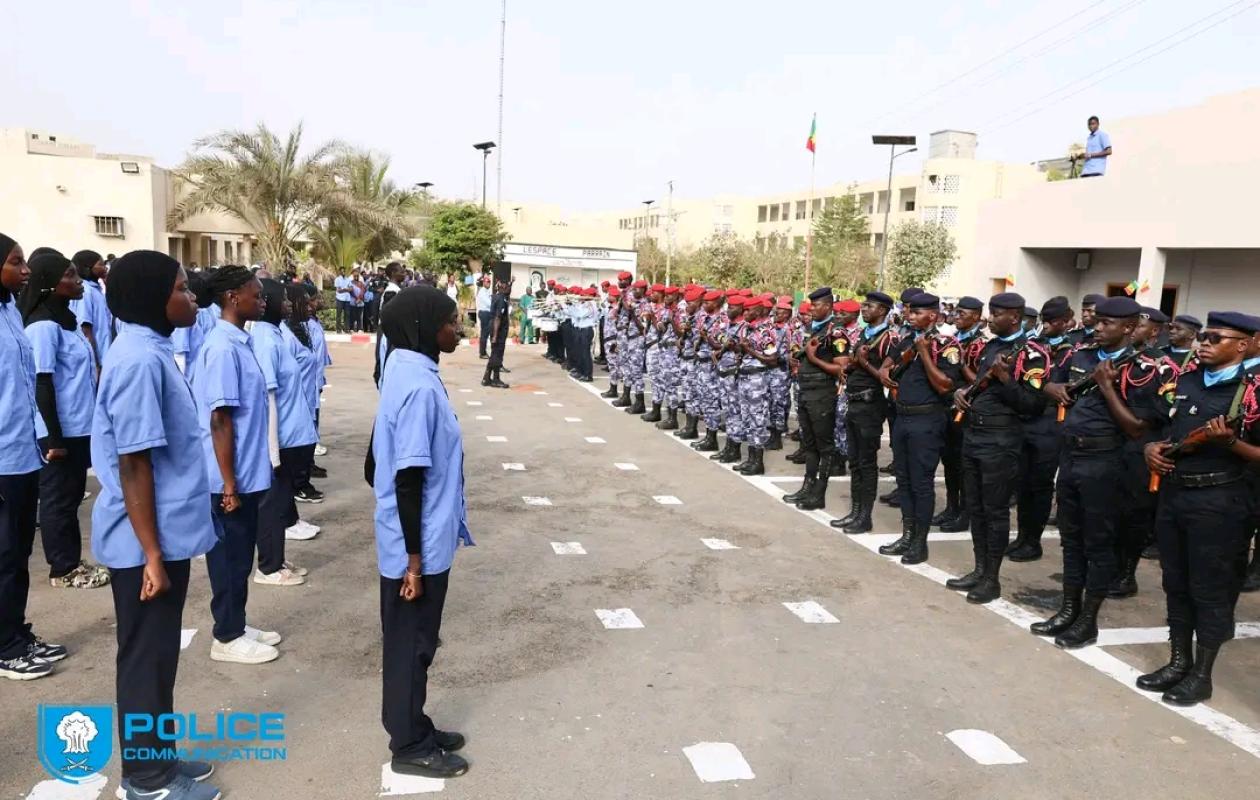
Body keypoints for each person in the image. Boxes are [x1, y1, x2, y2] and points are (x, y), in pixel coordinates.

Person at [91, 250, 222, 799]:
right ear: (152, 297)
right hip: (146, 542)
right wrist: (150, 554)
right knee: (146, 660)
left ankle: (159, 759)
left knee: (160, 655)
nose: (191, 298)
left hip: (160, 534)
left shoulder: (150, 349)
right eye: (181, 288)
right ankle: (146, 782)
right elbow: (134, 463)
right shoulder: (139, 361)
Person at [1032, 296, 1175, 648]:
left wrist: (1108, 386)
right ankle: (1068, 609)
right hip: (1072, 458)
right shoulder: (1081, 353)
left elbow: (1138, 428)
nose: (1096, 328)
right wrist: (1053, 388)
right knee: (1071, 539)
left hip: (1107, 464)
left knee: (1098, 544)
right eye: (1096, 322)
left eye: (1105, 324)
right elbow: (1050, 381)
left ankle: (1088, 620)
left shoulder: (1149, 369)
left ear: (1128, 328)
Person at [372, 286, 473, 779]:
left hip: (419, 534)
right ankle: (408, 743)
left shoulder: (404, 368)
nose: (458, 329)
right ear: (422, 327)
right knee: (412, 643)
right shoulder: (416, 387)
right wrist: (413, 560)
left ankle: (412, 720)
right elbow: (405, 477)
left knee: (416, 641)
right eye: (451, 321)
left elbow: (376, 463)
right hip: (417, 544)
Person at [1142, 312, 1260, 705]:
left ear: (1242, 345)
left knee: (1210, 589)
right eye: (1203, 337)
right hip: (1176, 495)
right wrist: (1151, 449)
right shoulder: (1188, 378)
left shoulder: (1253, 389)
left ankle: (1201, 674)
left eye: (1214, 337)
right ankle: (1178, 661)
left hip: (1221, 501)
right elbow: (1166, 428)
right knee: (1175, 582)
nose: (1203, 343)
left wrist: (1230, 444)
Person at [190, 266, 282, 665]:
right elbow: (220, 419)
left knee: (240, 555)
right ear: (231, 297)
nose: (261, 300)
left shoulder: (238, 341)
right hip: (229, 478)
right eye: (255, 294)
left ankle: (238, 623)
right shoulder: (223, 348)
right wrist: (229, 484)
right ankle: (226, 636)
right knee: (229, 559)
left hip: (243, 471)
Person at [945, 293, 1047, 600]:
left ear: (1014, 317)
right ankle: (979, 569)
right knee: (975, 507)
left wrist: (1007, 381)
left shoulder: (1032, 354)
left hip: (1001, 441)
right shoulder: (990, 347)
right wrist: (962, 393)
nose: (990, 319)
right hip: (974, 435)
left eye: (997, 314)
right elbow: (979, 387)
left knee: (995, 510)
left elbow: (1033, 405)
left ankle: (992, 578)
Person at [21, 252, 110, 589]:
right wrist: (53, 438)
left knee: (72, 496)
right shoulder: (43, 327)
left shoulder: (66, 322)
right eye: (70, 276)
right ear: (50, 285)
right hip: (59, 430)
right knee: (58, 499)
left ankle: (72, 560)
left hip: (78, 424)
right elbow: (42, 383)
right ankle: (62, 567)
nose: (77, 281)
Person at [1, 235, 68, 680]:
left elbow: (23, 386)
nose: (25, 271)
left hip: (23, 452)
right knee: (4, 554)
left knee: (20, 551)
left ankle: (17, 632)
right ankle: (6, 649)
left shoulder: (9, 311)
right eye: (15, 262)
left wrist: (41, 437)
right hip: (2, 458)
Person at [875, 293, 963, 565]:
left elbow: (946, 386)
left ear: (933, 316)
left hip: (928, 421)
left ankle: (919, 543)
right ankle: (907, 534)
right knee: (904, 481)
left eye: (916, 313)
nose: (910, 316)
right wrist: (886, 372)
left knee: (921, 484)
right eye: (909, 312)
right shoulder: (906, 339)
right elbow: (887, 364)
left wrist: (924, 353)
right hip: (903, 418)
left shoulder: (947, 345)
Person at [251, 279, 317, 586]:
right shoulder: (265, 340)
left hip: (293, 433)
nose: (290, 305)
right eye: (285, 300)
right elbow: (269, 397)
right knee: (273, 504)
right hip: (284, 436)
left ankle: (277, 557)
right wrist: (272, 449)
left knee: (281, 500)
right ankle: (268, 566)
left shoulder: (276, 334)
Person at [1009, 296, 1075, 562]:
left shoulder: (1074, 351)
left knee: (1040, 484)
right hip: (1026, 419)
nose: (1046, 326)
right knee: (1022, 483)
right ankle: (1022, 536)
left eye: (1052, 322)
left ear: (1066, 322)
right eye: (1044, 321)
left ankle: (1033, 541)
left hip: (1051, 425)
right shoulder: (1032, 346)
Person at [837, 292, 897, 531]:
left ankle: (865, 516)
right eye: (863, 305)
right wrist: (850, 367)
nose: (864, 309)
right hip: (854, 402)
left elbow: (888, 379)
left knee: (866, 462)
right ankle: (855, 511)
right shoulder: (866, 333)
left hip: (871, 405)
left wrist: (864, 364)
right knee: (855, 462)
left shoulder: (889, 338)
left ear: (882, 310)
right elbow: (856, 360)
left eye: (869, 306)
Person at [936, 296, 985, 532]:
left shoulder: (981, 342)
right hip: (947, 407)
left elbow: (981, 380)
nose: (956, 316)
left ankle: (965, 513)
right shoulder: (954, 340)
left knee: (964, 465)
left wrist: (963, 366)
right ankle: (951, 507)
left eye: (962, 313)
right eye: (956, 312)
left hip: (967, 410)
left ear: (976, 316)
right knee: (949, 462)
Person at [284, 284, 325, 505]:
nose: (310, 306)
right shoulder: (286, 333)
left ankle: (303, 478)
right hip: (298, 398)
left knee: (309, 440)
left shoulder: (303, 327)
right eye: (305, 302)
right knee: (299, 447)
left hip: (310, 393)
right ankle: (299, 484)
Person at [732, 296, 779, 475]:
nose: (745, 314)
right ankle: (750, 459)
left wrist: (749, 350)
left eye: (748, 311)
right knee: (747, 418)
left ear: (758, 312)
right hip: (745, 378)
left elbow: (773, 359)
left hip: (757, 379)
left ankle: (758, 462)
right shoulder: (748, 329)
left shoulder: (765, 332)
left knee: (757, 419)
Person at [711, 294, 748, 465]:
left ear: (741, 308)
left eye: (733, 307)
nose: (729, 310)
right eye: (728, 306)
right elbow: (719, 340)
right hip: (723, 371)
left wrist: (731, 346)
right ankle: (728, 447)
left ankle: (734, 449)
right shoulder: (728, 325)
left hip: (734, 373)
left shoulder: (744, 327)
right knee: (728, 412)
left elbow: (742, 349)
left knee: (735, 412)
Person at [68, 249, 113, 365]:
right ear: (88, 267)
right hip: (97, 358)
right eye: (101, 264)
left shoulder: (95, 289)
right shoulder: (86, 291)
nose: (105, 268)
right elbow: (86, 328)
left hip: (105, 355)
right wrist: (95, 363)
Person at [304, 285, 332, 459]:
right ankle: (311, 445)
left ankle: (314, 442)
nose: (319, 302)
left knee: (316, 410)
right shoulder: (307, 325)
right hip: (311, 378)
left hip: (317, 376)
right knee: (311, 411)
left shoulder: (314, 322)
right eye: (315, 299)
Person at [616, 280, 649, 414]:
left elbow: (643, 327)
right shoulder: (632, 302)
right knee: (628, 369)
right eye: (634, 289)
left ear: (644, 290)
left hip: (638, 340)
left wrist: (632, 312)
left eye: (638, 289)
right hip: (630, 339)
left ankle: (640, 402)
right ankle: (626, 396)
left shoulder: (645, 305)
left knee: (636, 372)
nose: (634, 291)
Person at [482, 278, 511, 388]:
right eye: (507, 285)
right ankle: (496, 379)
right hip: (498, 331)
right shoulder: (500, 300)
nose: (508, 288)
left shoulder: (497, 297)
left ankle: (486, 378)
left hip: (496, 329)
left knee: (495, 354)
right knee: (497, 355)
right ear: (502, 287)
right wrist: (495, 335)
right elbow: (498, 318)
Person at [569, 287, 598, 382]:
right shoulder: (586, 304)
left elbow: (580, 314)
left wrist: (571, 306)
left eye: (584, 295)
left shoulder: (590, 305)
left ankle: (587, 374)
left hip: (587, 330)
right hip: (582, 329)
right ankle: (581, 372)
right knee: (580, 352)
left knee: (585, 353)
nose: (581, 297)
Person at [475, 275, 493, 359]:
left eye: (489, 281)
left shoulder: (487, 291)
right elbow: (489, 303)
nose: (488, 283)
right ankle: (482, 353)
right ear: (483, 283)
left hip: (487, 313)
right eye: (487, 281)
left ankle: (483, 351)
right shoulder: (482, 292)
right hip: (484, 313)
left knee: (486, 333)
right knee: (484, 334)